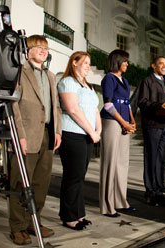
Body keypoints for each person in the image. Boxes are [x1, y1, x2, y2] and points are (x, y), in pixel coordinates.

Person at [9, 35, 62, 245]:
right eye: (38, 47)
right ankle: (17, 227)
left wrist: (57, 131)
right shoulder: (19, 73)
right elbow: (13, 106)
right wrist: (20, 134)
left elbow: (55, 106)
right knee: (20, 182)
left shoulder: (50, 75)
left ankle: (34, 222)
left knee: (41, 183)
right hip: (27, 135)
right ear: (28, 50)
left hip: (48, 135)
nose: (43, 50)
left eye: (45, 48)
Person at [57, 51, 101, 230]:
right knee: (72, 176)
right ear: (74, 63)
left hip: (88, 135)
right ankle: (68, 216)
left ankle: (79, 214)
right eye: (85, 63)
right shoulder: (67, 82)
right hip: (72, 134)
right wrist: (92, 131)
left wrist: (98, 130)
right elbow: (73, 109)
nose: (88, 67)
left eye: (89, 63)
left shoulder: (88, 86)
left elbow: (95, 110)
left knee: (79, 176)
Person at [99, 49, 136, 217]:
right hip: (111, 122)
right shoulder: (109, 78)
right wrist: (124, 123)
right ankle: (107, 206)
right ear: (117, 61)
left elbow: (127, 104)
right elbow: (107, 105)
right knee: (110, 163)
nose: (127, 64)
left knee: (122, 163)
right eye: (125, 61)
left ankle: (120, 201)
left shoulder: (125, 81)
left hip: (123, 122)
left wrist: (132, 121)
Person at [138, 56, 165, 206]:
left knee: (161, 160)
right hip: (152, 126)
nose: (164, 66)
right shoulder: (147, 81)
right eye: (161, 63)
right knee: (151, 159)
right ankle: (150, 192)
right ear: (153, 66)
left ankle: (158, 190)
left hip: (164, 126)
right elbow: (143, 102)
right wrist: (159, 105)